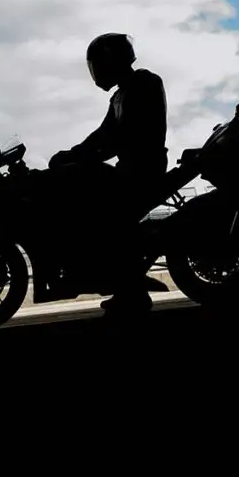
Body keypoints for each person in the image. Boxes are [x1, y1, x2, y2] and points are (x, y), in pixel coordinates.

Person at [48, 32, 169, 314]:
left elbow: (122, 136)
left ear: (112, 61)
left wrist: (80, 157)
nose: (96, 72)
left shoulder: (144, 83)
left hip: (143, 170)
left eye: (98, 65)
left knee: (103, 212)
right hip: (129, 168)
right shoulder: (120, 94)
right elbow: (103, 134)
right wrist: (74, 153)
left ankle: (131, 287)